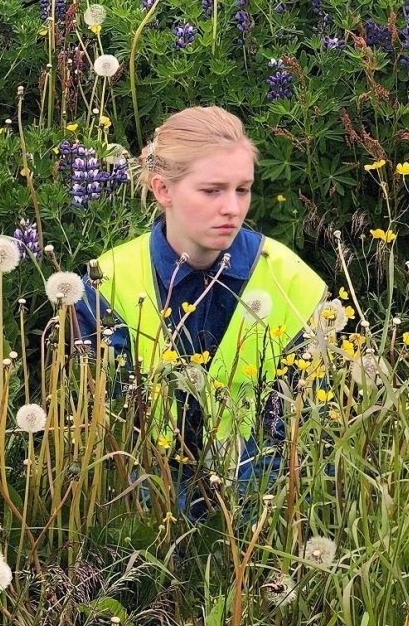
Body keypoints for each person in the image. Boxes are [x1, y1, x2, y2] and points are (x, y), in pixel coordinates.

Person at [75, 106, 330, 519]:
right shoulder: (107, 282)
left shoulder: (290, 279)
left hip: (265, 506)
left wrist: (244, 523)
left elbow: (303, 433)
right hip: (143, 511)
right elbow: (105, 432)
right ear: (163, 190)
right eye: (212, 191)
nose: (231, 207)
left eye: (242, 190)